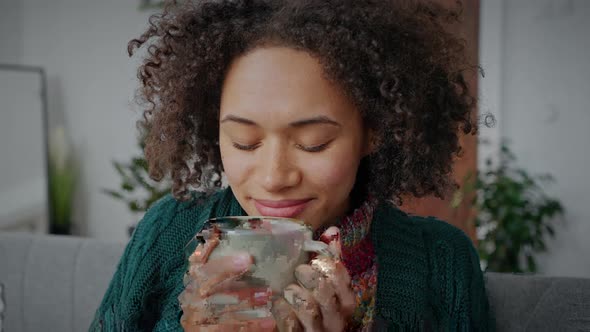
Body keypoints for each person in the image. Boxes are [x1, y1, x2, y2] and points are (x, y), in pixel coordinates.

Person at [90, 0, 493, 330]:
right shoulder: (167, 232)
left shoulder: (442, 261)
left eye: (312, 143)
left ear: (374, 131)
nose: (273, 177)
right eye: (244, 142)